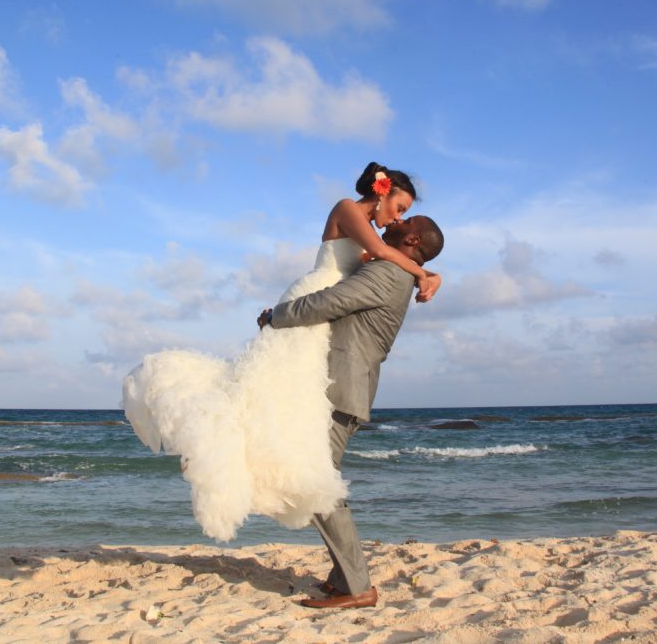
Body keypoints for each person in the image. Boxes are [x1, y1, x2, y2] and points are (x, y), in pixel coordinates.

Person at [122, 162, 440, 543]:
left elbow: (382, 261)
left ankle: (272, 471)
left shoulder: (378, 241)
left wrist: (425, 271)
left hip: (322, 312)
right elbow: (377, 254)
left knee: (290, 402)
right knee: (267, 387)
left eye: (404, 214)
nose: (397, 218)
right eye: (399, 207)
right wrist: (426, 274)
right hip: (312, 299)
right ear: (382, 191)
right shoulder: (348, 210)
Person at [258, 215, 445, 609]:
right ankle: (343, 575)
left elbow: (332, 302)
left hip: (343, 391)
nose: (394, 219)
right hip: (344, 388)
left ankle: (357, 586)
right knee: (316, 478)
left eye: (404, 218)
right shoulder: (397, 270)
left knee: (316, 481)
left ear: (411, 237)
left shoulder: (389, 272)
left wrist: (276, 316)